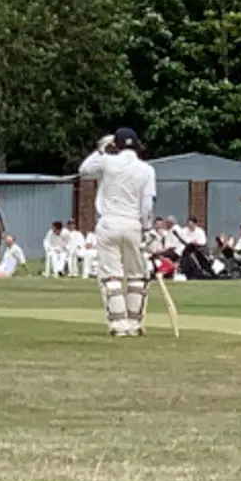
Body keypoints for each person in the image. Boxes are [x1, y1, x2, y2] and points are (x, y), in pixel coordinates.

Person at [78, 127, 157, 336]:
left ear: (116, 145)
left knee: (111, 276)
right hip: (133, 224)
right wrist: (147, 229)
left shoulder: (107, 162)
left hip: (109, 223)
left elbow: (84, 170)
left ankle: (118, 325)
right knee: (137, 275)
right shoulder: (147, 170)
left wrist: (101, 150)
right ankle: (134, 324)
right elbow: (147, 205)